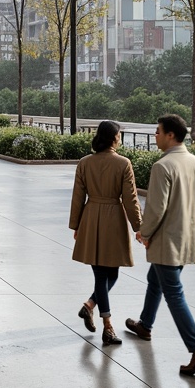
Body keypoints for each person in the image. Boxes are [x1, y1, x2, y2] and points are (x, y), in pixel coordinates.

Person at [125, 113, 195, 375]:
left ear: (170, 135)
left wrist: (144, 231)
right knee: (156, 280)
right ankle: (145, 325)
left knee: (174, 293)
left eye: (158, 131)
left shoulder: (162, 166)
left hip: (166, 239)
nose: (155, 136)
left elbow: (156, 208)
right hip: (187, 237)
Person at [68, 120, 142, 346]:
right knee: (107, 274)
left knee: (107, 275)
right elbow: (130, 199)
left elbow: (78, 196)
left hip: (91, 218)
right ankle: (107, 326)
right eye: (119, 135)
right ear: (113, 138)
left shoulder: (84, 163)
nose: (120, 139)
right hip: (113, 220)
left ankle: (90, 306)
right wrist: (139, 227)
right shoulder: (123, 164)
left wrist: (77, 225)